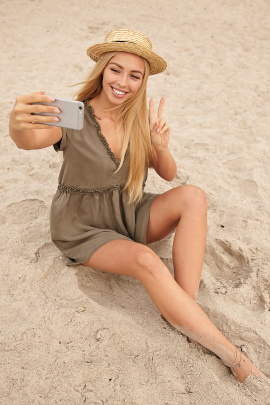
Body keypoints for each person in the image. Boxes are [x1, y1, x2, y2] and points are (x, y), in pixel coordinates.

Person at [9, 29, 265, 383]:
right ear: (102, 70)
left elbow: (168, 173)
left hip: (129, 210)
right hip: (82, 225)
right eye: (116, 69)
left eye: (135, 75)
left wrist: (160, 145)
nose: (123, 82)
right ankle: (233, 357)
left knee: (193, 195)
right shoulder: (73, 116)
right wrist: (16, 124)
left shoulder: (136, 118)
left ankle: (184, 307)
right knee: (146, 259)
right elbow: (29, 140)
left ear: (143, 81)